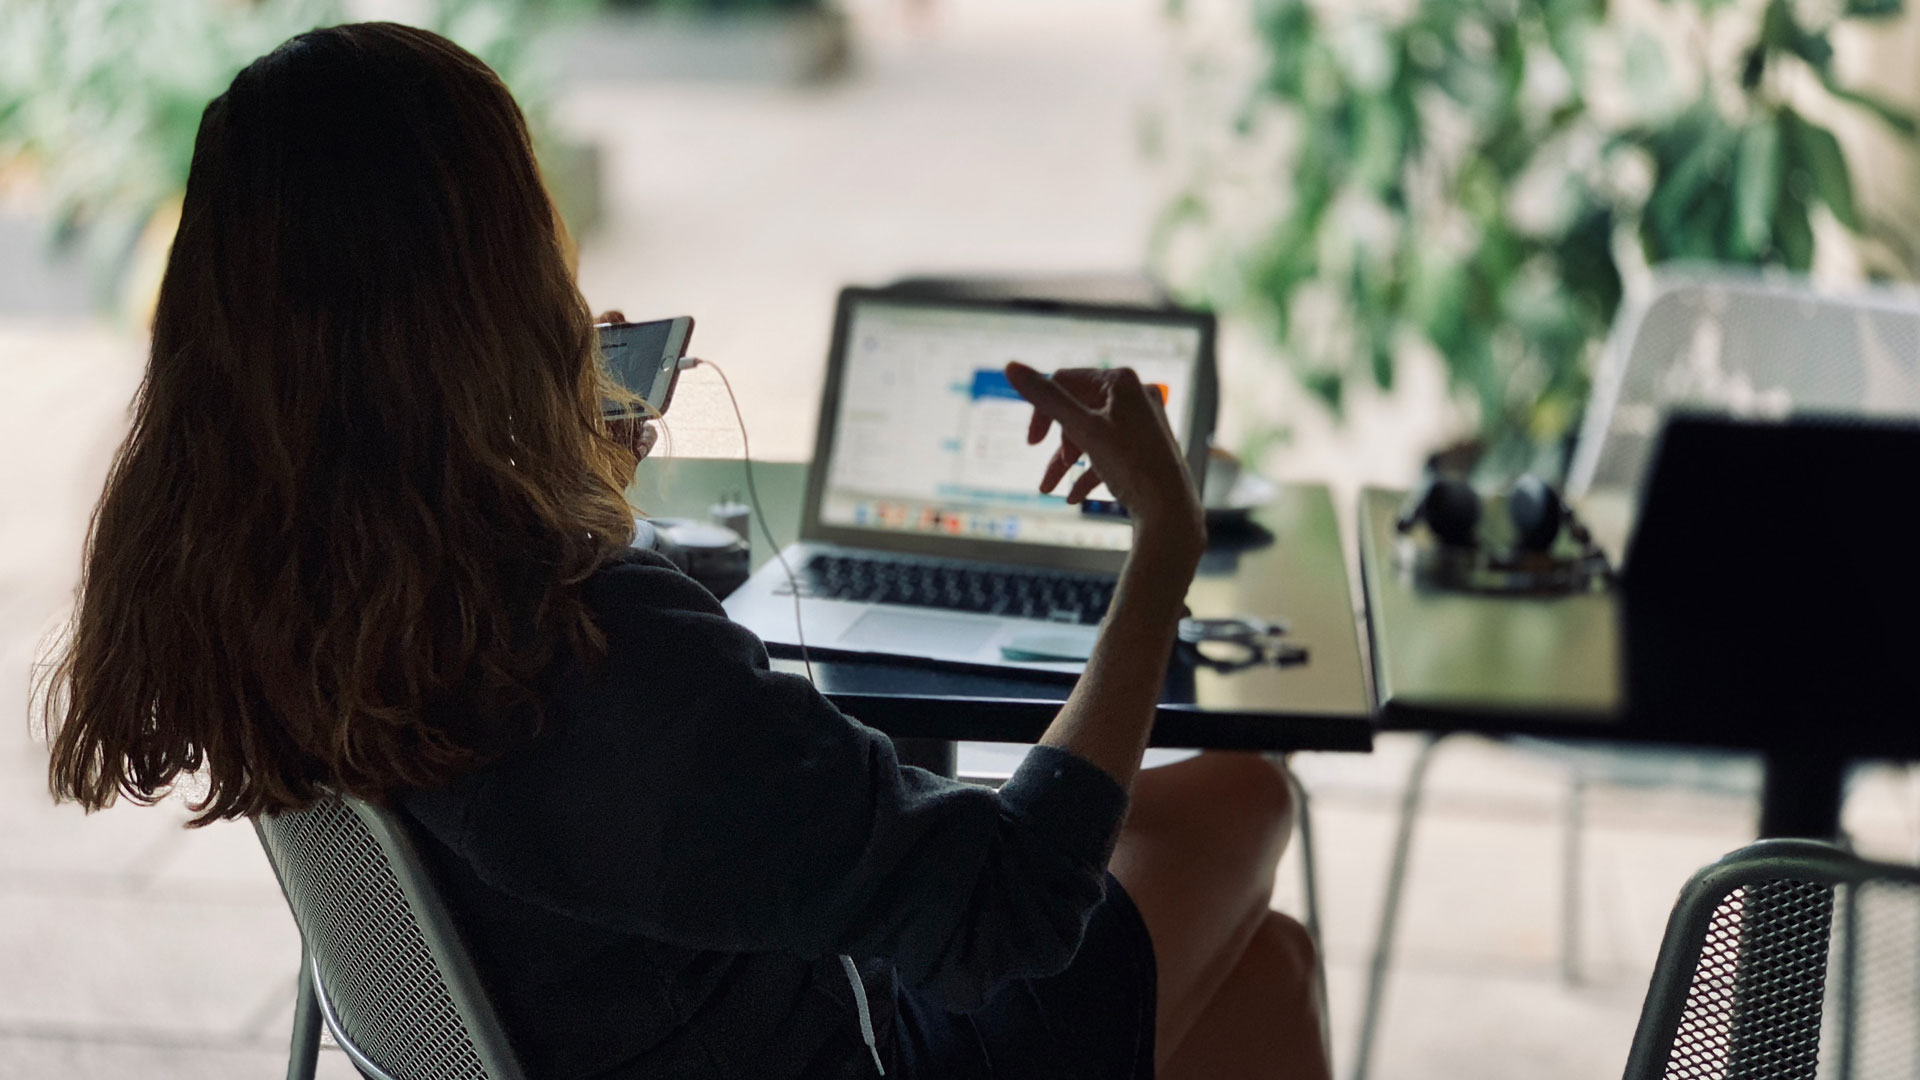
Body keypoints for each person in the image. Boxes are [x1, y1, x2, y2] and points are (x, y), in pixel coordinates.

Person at [39, 23, 1328, 1080]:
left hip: (620, 1017)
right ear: (492, 284)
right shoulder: (587, 650)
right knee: (1251, 799)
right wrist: (1160, 550)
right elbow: (1006, 915)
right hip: (828, 1050)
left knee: (1267, 978)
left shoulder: (260, 581)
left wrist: (564, 488)